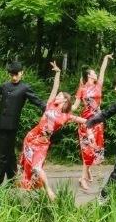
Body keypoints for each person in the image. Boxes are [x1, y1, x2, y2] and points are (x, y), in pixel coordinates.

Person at [0, 61, 46, 187]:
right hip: (1, 125)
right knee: (7, 154)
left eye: (16, 74)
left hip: (12, 126)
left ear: (22, 73)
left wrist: (50, 111)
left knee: (4, 155)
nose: (14, 77)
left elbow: (38, 102)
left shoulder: (25, 88)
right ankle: (12, 180)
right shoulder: (5, 86)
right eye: (12, 75)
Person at [19, 62, 87, 200]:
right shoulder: (50, 105)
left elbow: (81, 120)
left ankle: (48, 191)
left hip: (43, 142)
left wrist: (97, 120)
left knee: (37, 167)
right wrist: (57, 73)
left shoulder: (66, 115)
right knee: (27, 165)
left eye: (60, 95)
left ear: (65, 100)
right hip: (32, 137)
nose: (57, 96)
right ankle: (27, 192)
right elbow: (54, 88)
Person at [71, 53, 113, 191]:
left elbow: (102, 71)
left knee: (94, 149)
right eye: (93, 73)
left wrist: (106, 58)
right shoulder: (82, 89)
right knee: (87, 149)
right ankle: (82, 178)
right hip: (87, 122)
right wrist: (64, 109)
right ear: (89, 75)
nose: (96, 74)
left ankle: (86, 172)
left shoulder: (98, 86)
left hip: (98, 121)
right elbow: (75, 106)